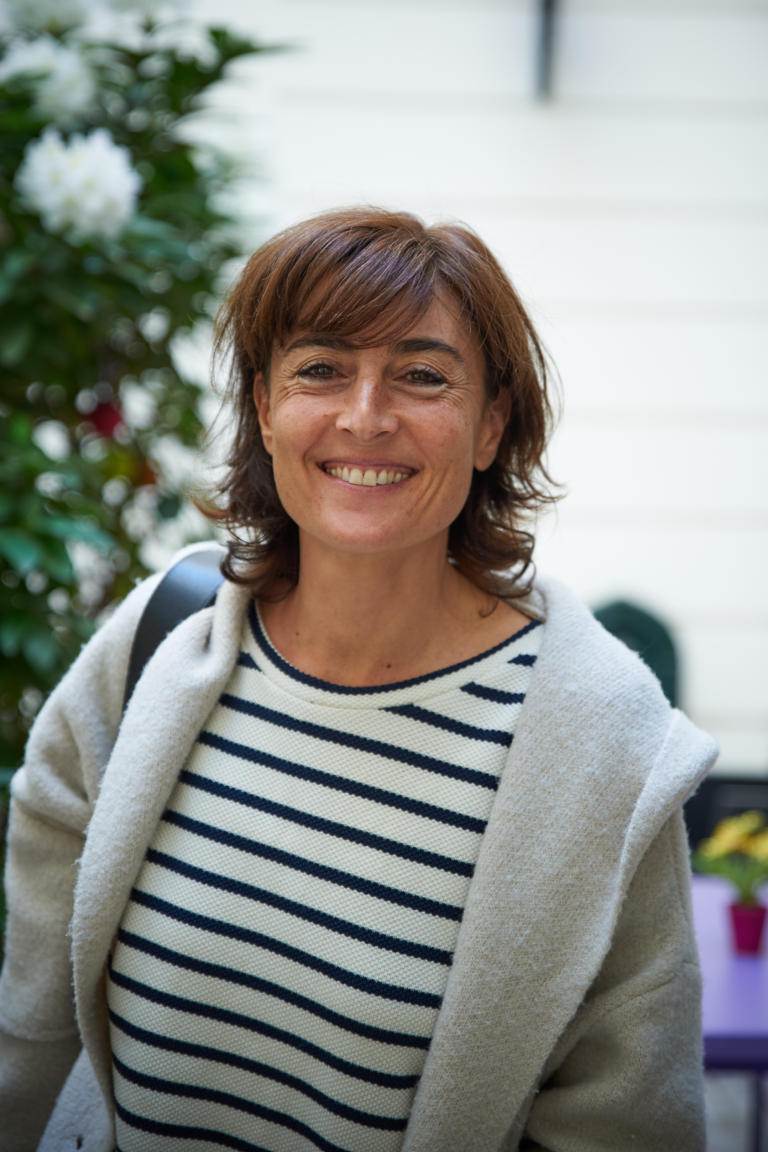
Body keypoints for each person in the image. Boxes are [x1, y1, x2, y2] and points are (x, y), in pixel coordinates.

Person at [0, 207, 716, 1152]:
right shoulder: (158, 642)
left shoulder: (607, 748)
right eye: (321, 370)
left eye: (422, 376)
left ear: (491, 425)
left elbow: (626, 1129)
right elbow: (27, 1038)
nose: (366, 416)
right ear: (265, 408)